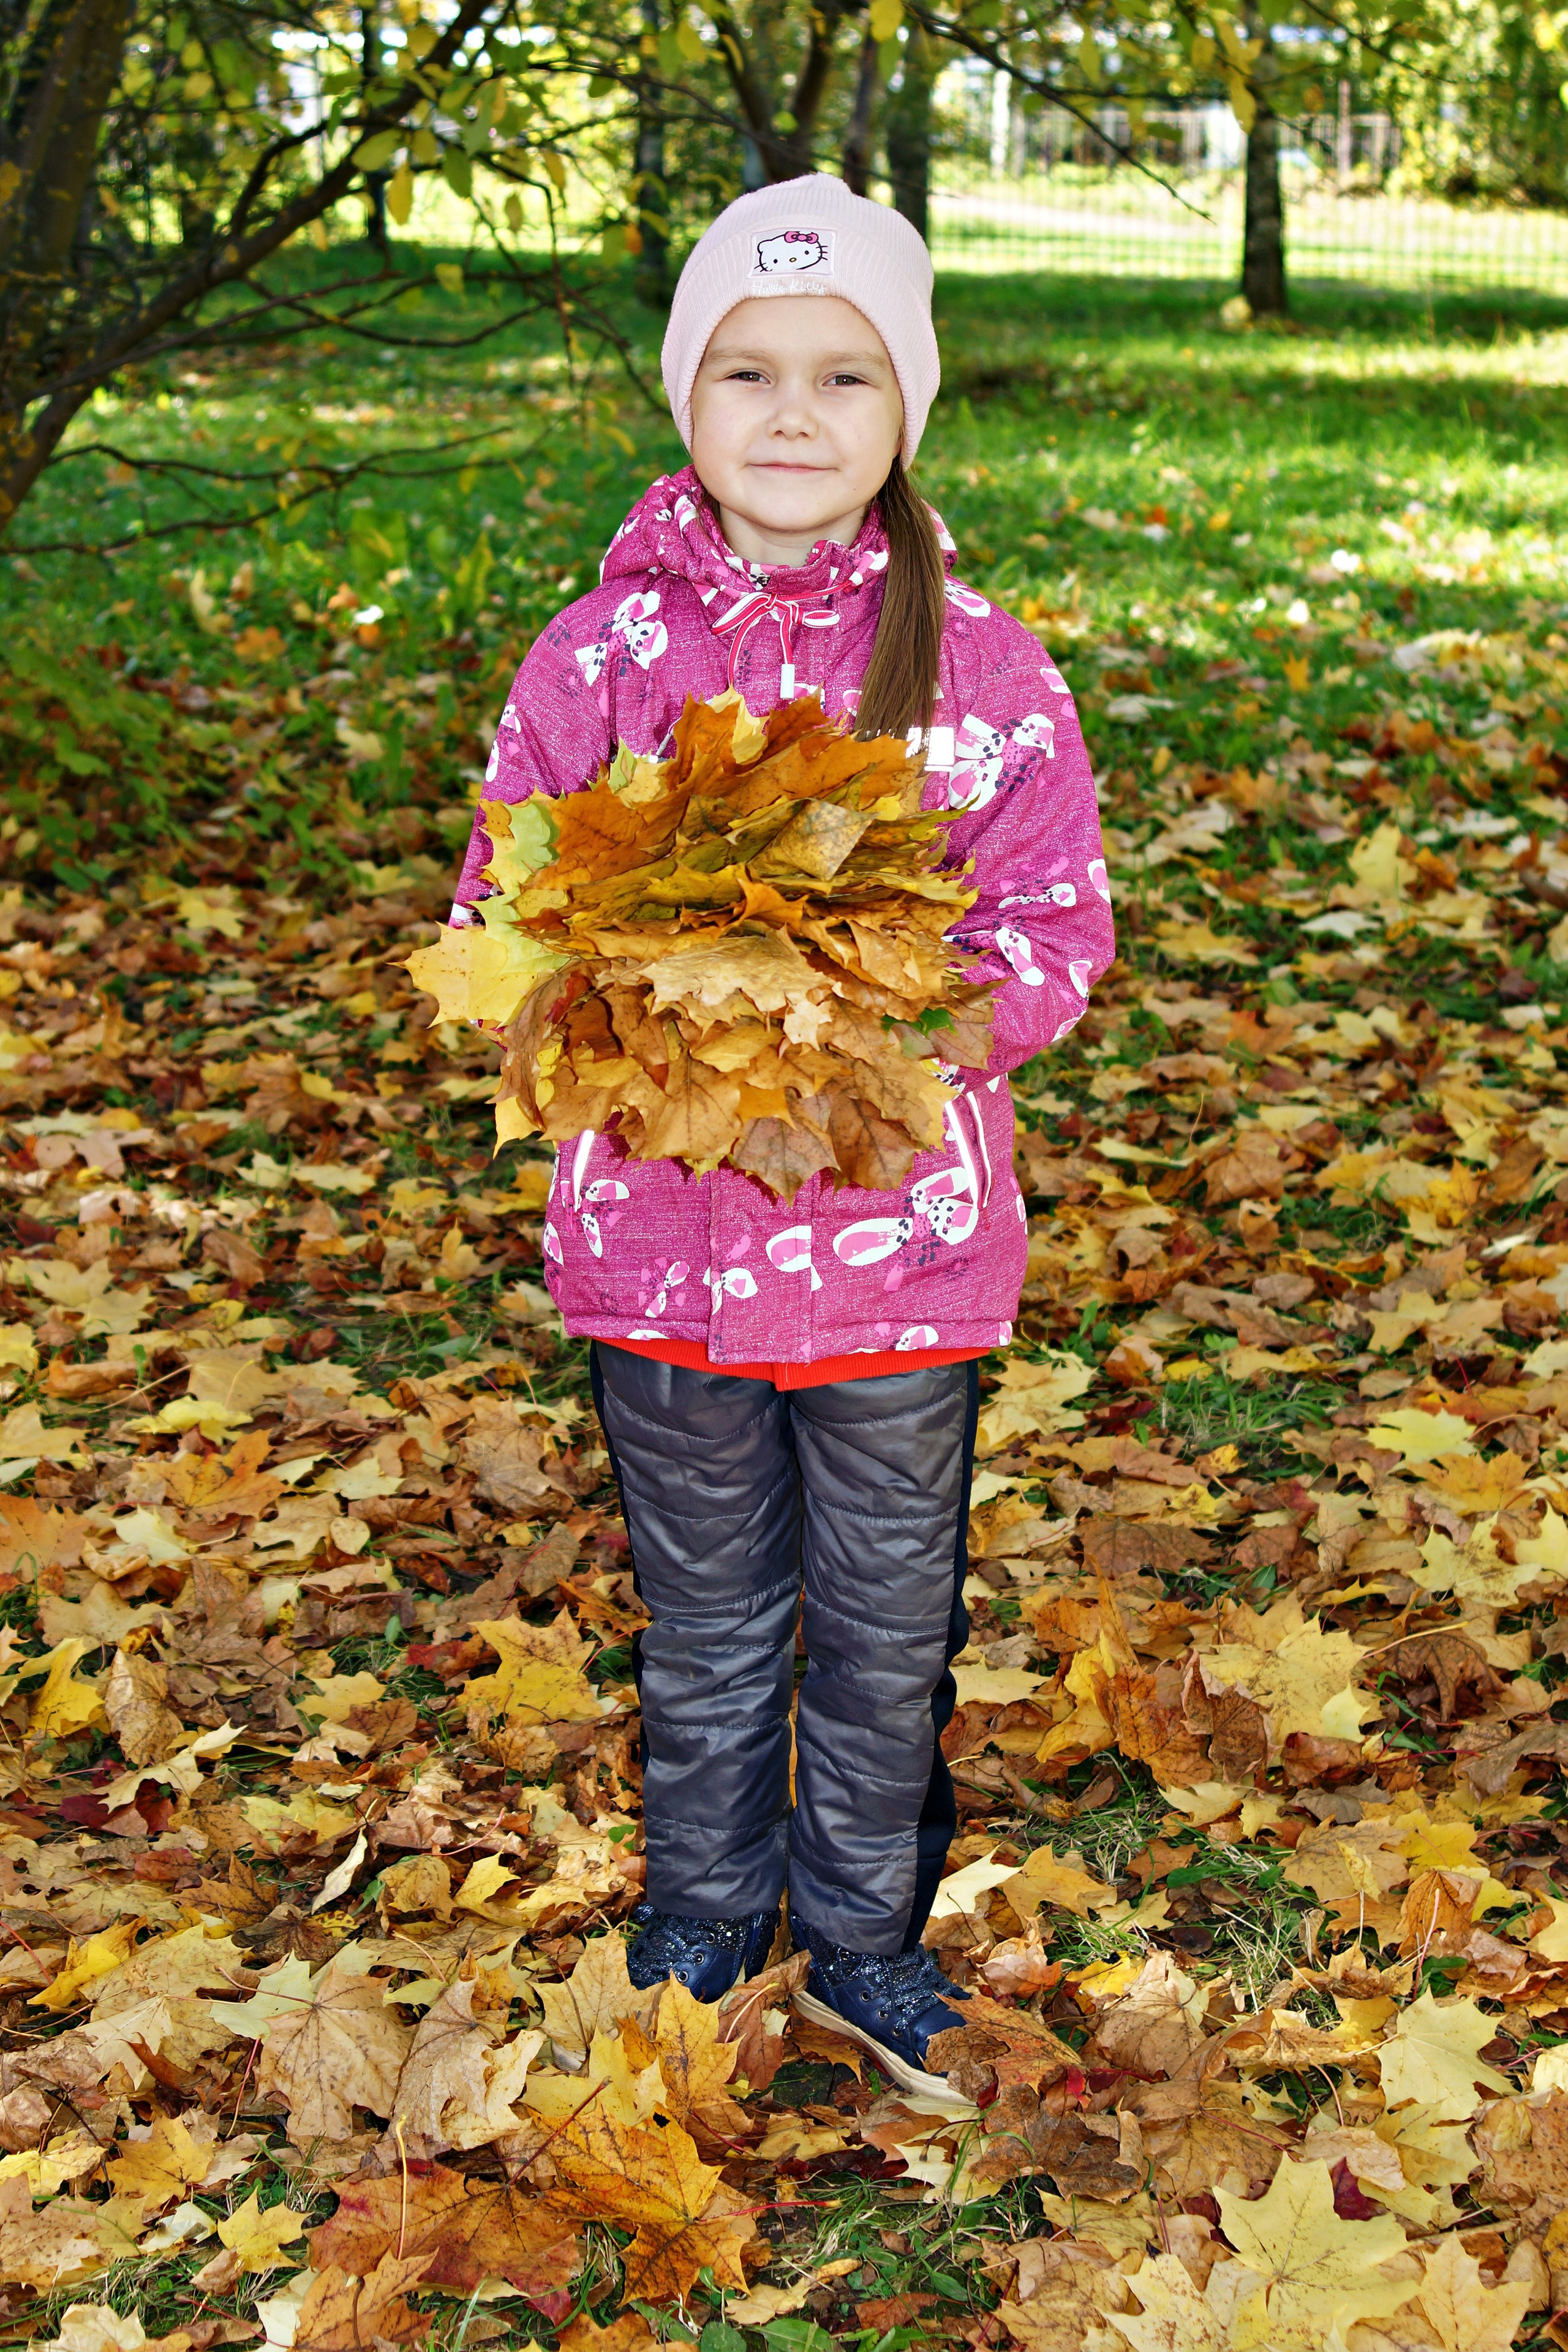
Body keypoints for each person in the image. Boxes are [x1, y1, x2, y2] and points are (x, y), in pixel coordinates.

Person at [448, 175, 1113, 2098]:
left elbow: (1058, 928)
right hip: (654, 1246)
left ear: (905, 406)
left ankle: (864, 1932)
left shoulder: (977, 667)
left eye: (844, 374)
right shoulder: (593, 663)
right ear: (687, 399)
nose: (795, 413)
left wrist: (879, 1025)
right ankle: (707, 1903)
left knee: (890, 1620)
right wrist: (636, 1002)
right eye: (748, 370)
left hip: (898, 1252)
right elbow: (509, 924)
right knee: (714, 1609)